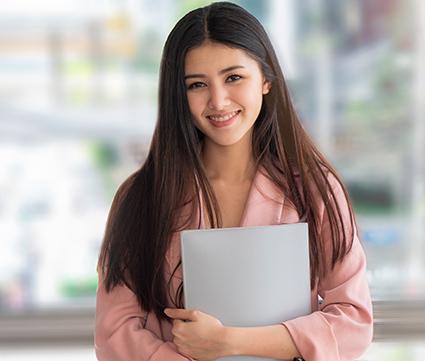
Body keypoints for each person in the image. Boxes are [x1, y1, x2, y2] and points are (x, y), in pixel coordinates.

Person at [95, 2, 373, 361]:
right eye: (197, 84)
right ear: (178, 96)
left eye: (233, 78)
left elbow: (354, 321)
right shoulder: (141, 197)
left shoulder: (316, 191)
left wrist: (229, 343)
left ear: (266, 79)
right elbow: (114, 330)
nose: (218, 101)